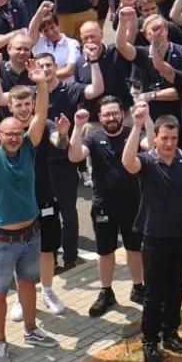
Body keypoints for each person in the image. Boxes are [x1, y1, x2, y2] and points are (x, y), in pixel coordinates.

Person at [0, 54, 58, 362]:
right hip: (3, 240)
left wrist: (40, 83)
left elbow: (41, 113)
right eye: (7, 134)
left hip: (31, 234)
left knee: (28, 285)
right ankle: (0, 343)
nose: (13, 137)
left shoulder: (28, 147)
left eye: (16, 133)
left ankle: (31, 330)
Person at [121, 103, 182, 362]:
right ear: (155, 137)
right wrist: (137, 125)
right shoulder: (148, 162)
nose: (169, 143)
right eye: (164, 138)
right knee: (154, 293)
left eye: (174, 138)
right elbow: (127, 162)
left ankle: (170, 333)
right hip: (154, 238)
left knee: (176, 289)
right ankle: (150, 341)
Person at [67, 95, 144, 317]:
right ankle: (106, 292)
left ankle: (138, 288)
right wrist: (78, 126)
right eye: (106, 114)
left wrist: (142, 122)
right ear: (100, 117)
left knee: (134, 249)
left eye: (114, 113)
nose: (111, 117)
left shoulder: (132, 134)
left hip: (132, 204)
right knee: (105, 252)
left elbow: (151, 146)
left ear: (122, 114)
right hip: (103, 206)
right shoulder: (93, 137)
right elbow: (74, 156)